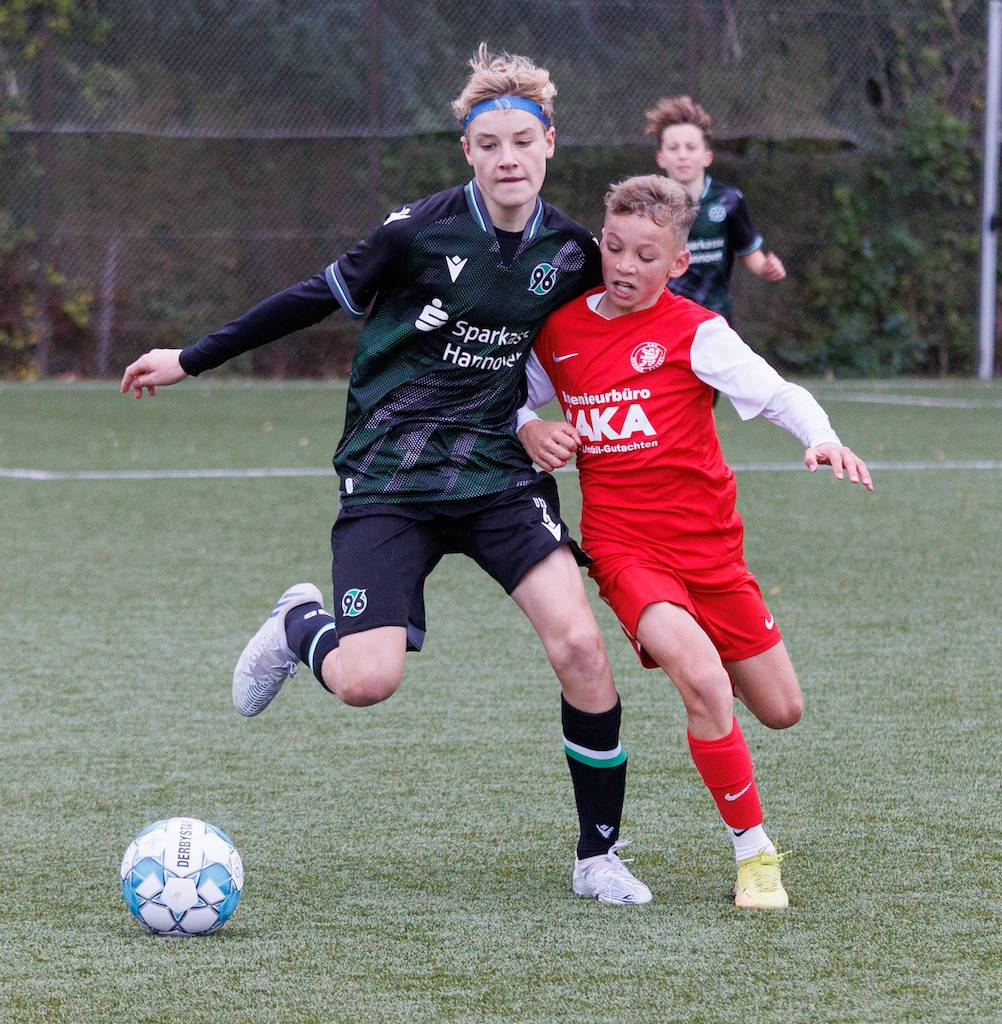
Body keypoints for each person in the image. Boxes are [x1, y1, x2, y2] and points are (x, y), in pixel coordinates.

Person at [120, 46, 652, 906]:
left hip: (495, 473)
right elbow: (310, 297)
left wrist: (555, 417)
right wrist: (192, 356)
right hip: (389, 473)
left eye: (524, 141)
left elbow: (622, 327)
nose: (508, 158)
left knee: (582, 648)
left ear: (550, 144)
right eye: (489, 145)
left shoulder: (572, 251)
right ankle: (300, 625)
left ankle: (599, 856)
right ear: (467, 152)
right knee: (367, 682)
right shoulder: (416, 233)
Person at [517, 174, 872, 909]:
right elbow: (510, 394)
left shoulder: (696, 331)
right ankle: (755, 855)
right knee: (706, 685)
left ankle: (718, 707)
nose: (624, 265)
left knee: (781, 708)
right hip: (625, 550)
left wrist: (821, 436)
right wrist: (530, 427)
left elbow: (778, 394)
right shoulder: (561, 330)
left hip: (712, 554)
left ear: (679, 262)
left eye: (646, 255)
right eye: (613, 247)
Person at [645, 95, 785, 325]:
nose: (682, 155)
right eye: (673, 148)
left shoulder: (728, 200)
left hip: (714, 319)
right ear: (661, 158)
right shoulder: (648, 204)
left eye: (691, 147)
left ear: (707, 157)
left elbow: (749, 252)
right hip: (664, 321)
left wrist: (766, 268)